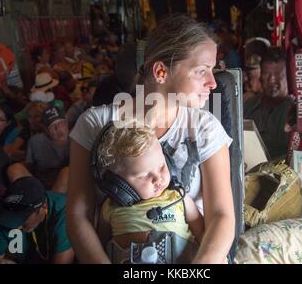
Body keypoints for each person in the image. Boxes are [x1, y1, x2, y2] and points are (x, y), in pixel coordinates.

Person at [67, 14, 235, 264]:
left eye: (213, 71)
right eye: (201, 71)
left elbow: (221, 216)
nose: (212, 83)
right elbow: (78, 215)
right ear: (160, 71)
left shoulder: (205, 129)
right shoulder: (94, 125)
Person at [96, 122, 204, 263]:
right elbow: (99, 245)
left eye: (161, 166)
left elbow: (203, 232)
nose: (158, 178)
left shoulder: (177, 197)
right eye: (144, 175)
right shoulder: (110, 207)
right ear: (119, 184)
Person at [244, 47, 294, 159]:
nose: (271, 79)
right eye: (266, 74)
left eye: (277, 74)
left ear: (289, 77)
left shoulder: (294, 112)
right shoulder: (250, 105)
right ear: (260, 77)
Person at [26, 106, 70, 192]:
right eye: (52, 126)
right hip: (42, 186)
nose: (58, 128)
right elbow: (29, 167)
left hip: (70, 186)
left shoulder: (77, 140)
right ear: (46, 130)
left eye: (61, 123)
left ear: (67, 123)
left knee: (66, 172)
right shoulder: (36, 141)